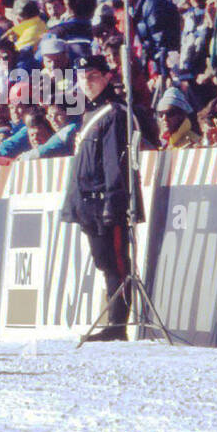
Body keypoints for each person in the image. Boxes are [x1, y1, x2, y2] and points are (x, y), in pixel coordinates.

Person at [61, 55, 146, 343]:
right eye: (82, 76)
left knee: (116, 264)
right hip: (87, 203)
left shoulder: (114, 114)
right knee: (104, 262)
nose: (87, 81)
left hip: (106, 202)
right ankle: (113, 320)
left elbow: (114, 164)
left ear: (107, 77)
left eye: (93, 75)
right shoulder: (89, 114)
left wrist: (113, 202)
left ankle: (117, 325)